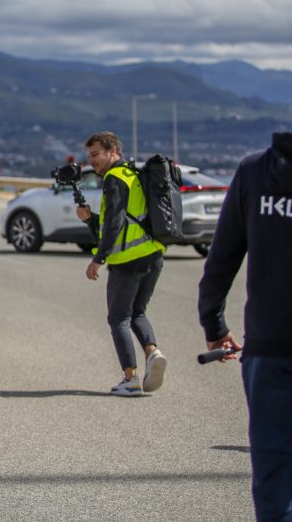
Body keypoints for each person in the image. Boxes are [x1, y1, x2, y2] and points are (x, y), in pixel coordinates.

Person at [198, 83, 292, 522]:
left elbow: (222, 256)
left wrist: (214, 324)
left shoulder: (252, 172)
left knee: (271, 458)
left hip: (267, 345)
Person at [76, 131, 167, 397]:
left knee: (118, 318)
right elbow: (126, 219)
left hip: (128, 260)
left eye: (96, 155)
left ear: (112, 151)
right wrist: (91, 219)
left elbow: (115, 223)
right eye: (89, 156)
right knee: (137, 311)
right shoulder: (132, 174)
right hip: (153, 254)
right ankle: (153, 352)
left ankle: (131, 378)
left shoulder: (114, 179)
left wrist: (98, 258)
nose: (92, 161)